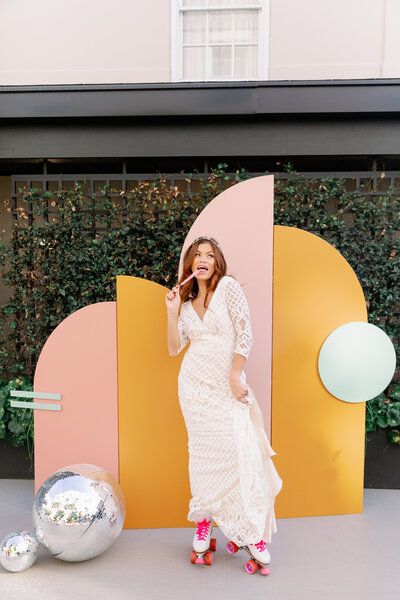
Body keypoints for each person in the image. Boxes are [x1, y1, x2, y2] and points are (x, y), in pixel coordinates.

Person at [165, 236, 282, 570]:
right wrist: (171, 312)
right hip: (194, 387)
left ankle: (246, 528)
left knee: (237, 453)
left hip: (226, 385)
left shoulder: (229, 287)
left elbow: (245, 334)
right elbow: (174, 348)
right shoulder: (185, 306)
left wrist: (236, 375)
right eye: (197, 255)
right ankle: (204, 520)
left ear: (217, 263)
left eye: (210, 255)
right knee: (200, 454)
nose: (203, 260)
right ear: (190, 264)